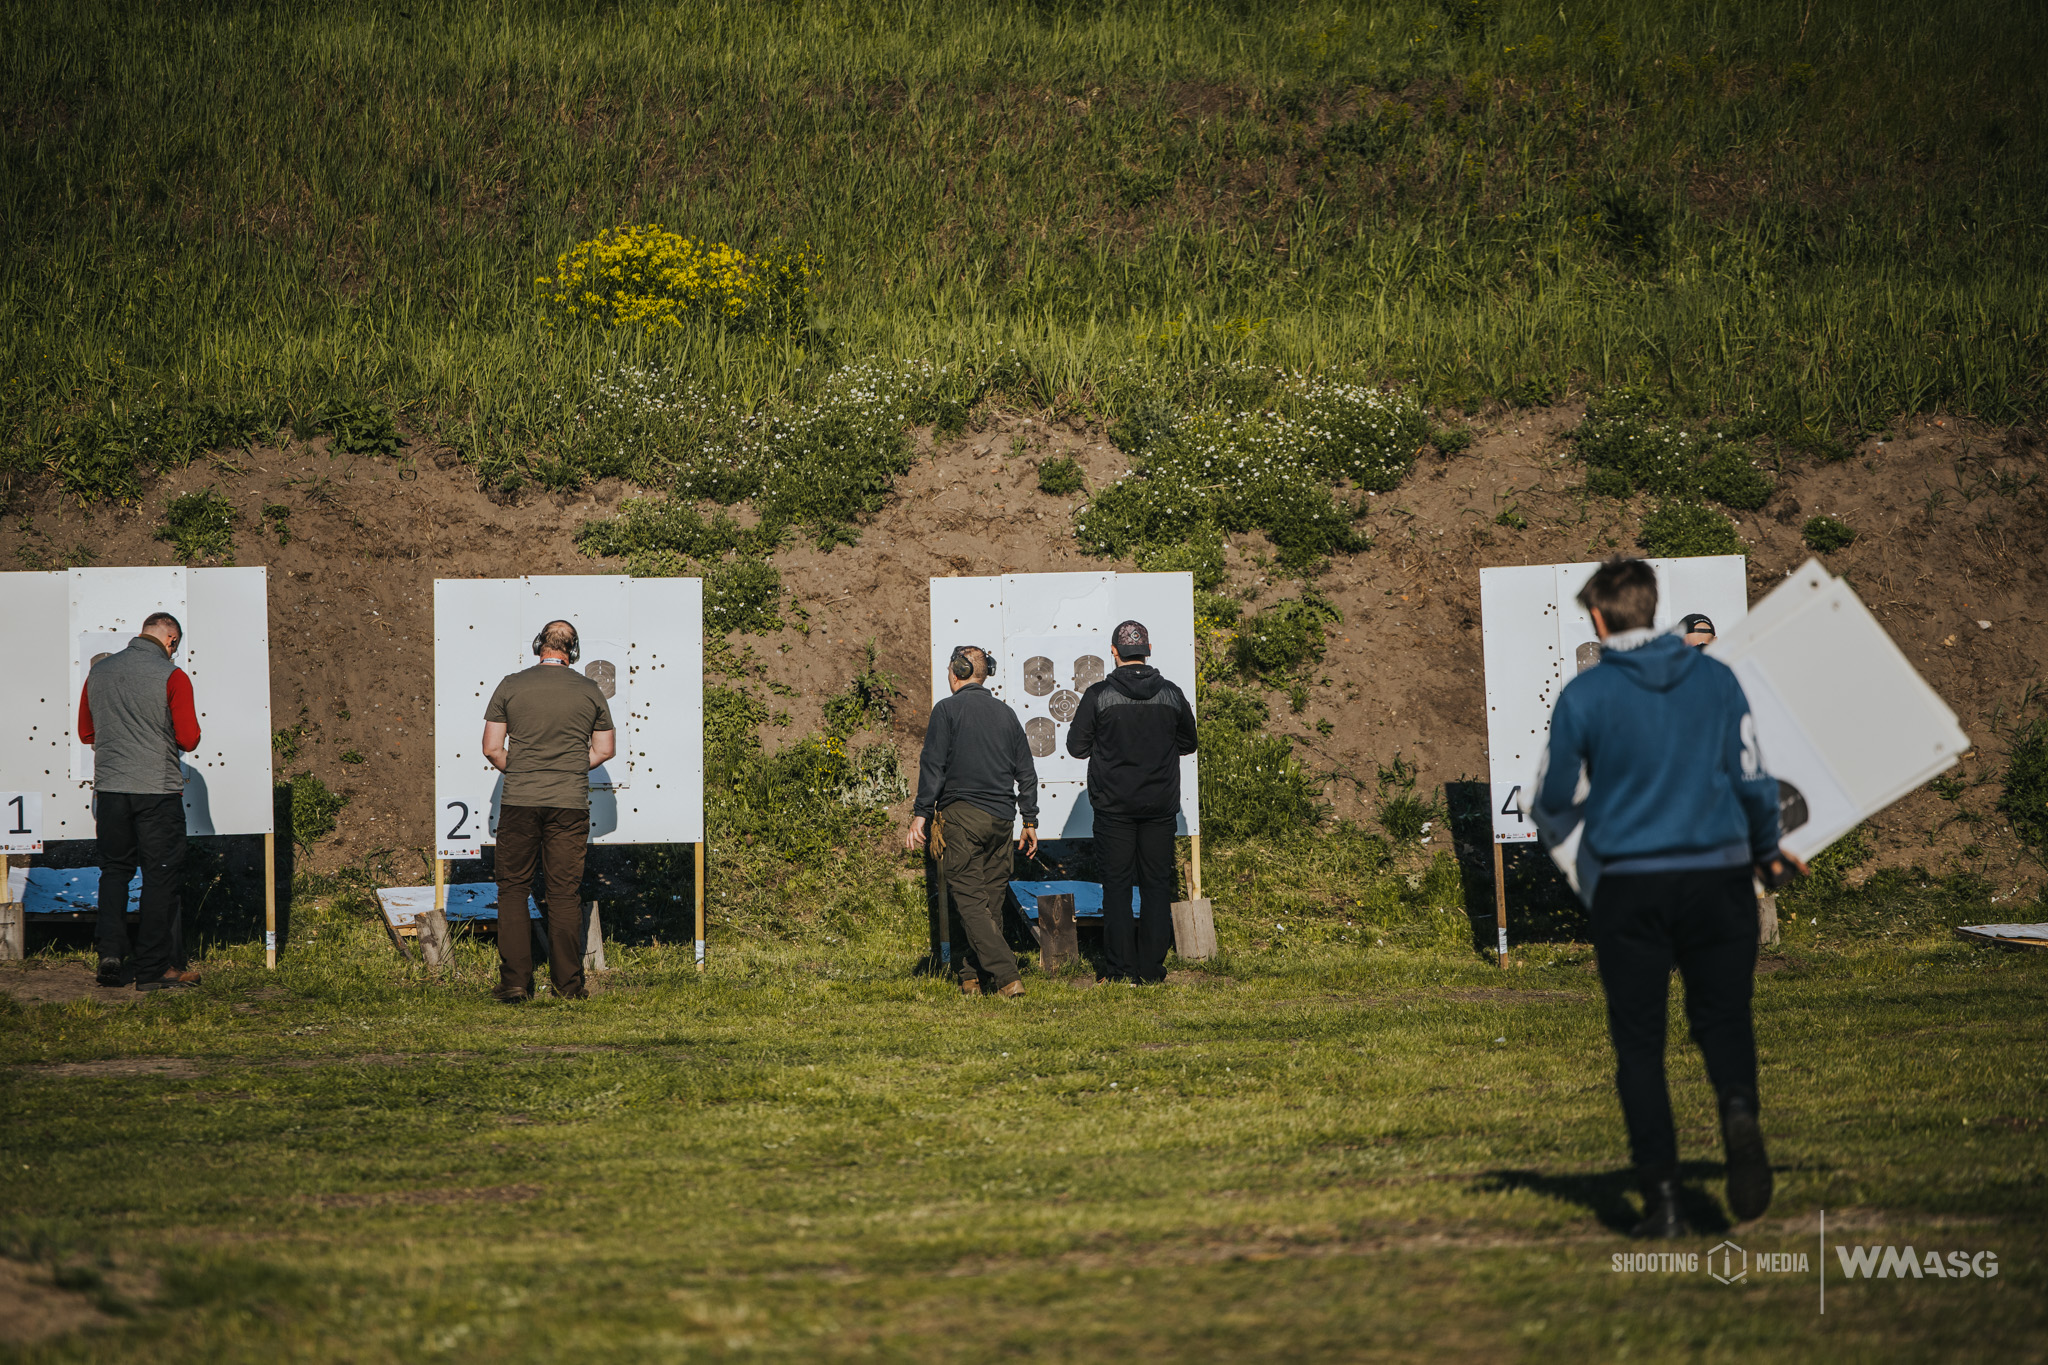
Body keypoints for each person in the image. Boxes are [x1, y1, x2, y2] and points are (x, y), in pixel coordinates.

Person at [1531, 560, 1804, 1238]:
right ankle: (1738, 1108)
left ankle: (1665, 1202)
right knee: (1724, 1018)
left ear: (1598, 619)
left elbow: (1556, 799)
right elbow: (1752, 778)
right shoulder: (1716, 678)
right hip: (1717, 877)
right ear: (1655, 609)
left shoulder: (1585, 696)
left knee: (1640, 1045)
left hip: (1632, 882)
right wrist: (1766, 849)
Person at [481, 620, 615, 1003]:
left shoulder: (510, 684)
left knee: (512, 890)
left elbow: (492, 747)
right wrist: (568, 768)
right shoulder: (590, 690)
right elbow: (604, 750)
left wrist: (525, 769)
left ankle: (514, 984)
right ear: (573, 652)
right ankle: (568, 987)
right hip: (569, 803)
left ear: (539, 645)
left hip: (520, 800)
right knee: (562, 893)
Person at [1066, 620, 1198, 985]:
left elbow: (1076, 748)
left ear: (1114, 652)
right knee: (1157, 885)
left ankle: (1119, 969)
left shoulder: (1098, 696)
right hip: (1159, 807)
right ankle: (1151, 970)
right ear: (1149, 649)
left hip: (1113, 809)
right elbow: (1189, 743)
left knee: (1117, 887)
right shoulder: (1171, 694)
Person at [78, 612, 202, 991]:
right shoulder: (173, 676)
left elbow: (86, 733)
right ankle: (152, 968)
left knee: (115, 871)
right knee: (159, 875)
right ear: (171, 640)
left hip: (112, 791)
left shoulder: (99, 673)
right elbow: (190, 738)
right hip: (156, 793)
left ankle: (110, 955)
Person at [906, 645, 1039, 998]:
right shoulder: (1007, 714)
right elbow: (1026, 772)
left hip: (962, 817)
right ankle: (969, 977)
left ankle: (1007, 978)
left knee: (969, 901)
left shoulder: (946, 710)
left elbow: (932, 765)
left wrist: (921, 813)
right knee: (987, 905)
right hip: (1002, 821)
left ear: (957, 672)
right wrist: (1029, 819)